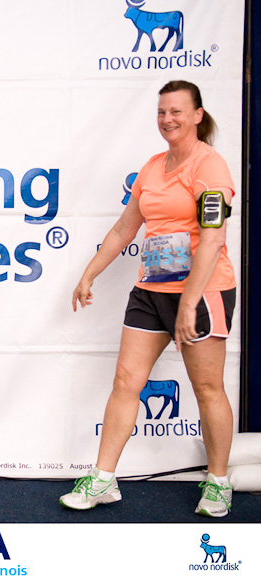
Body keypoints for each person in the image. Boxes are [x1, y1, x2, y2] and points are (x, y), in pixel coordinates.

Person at [60, 81, 236, 517]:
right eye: (161, 112)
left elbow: (213, 240)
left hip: (203, 292)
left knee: (207, 388)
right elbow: (125, 228)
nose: (167, 119)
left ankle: (218, 482)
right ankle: (103, 478)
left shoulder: (210, 167)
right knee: (126, 382)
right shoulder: (153, 167)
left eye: (176, 111)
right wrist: (89, 274)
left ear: (197, 115)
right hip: (151, 290)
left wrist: (189, 303)